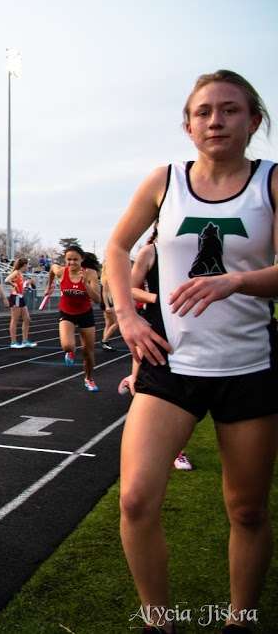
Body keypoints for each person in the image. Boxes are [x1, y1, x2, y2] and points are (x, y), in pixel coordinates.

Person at [105, 70, 276, 634]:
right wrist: (128, 316)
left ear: (254, 120)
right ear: (187, 124)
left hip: (249, 367)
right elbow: (116, 246)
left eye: (230, 110)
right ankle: (161, 622)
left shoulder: (270, 183)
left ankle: (239, 620)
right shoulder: (166, 180)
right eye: (204, 112)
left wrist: (236, 282)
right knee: (134, 501)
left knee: (247, 510)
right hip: (170, 366)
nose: (216, 121)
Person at [118, 227, 194, 473]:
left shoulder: (197, 248)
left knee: (192, 394)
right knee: (153, 388)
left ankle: (178, 448)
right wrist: (158, 299)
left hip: (196, 327)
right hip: (157, 327)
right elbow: (131, 287)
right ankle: (172, 451)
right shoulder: (150, 252)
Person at [44, 245, 102, 390]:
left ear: (82, 259)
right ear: (65, 259)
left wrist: (86, 286)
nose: (72, 262)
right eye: (69, 259)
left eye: (75, 259)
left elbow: (97, 299)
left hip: (85, 314)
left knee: (88, 352)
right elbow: (52, 268)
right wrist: (49, 285)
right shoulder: (61, 271)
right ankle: (70, 353)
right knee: (68, 346)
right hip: (67, 313)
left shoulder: (90, 273)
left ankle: (89, 379)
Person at [6, 257, 36, 349]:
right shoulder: (16, 272)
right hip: (16, 297)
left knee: (27, 319)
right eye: (27, 265)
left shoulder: (21, 274)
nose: (28, 267)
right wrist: (13, 285)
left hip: (20, 297)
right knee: (15, 319)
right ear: (24, 265)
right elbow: (6, 280)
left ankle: (25, 340)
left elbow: (20, 285)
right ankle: (13, 342)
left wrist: (27, 285)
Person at [99, 258, 120, 350]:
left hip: (107, 302)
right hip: (108, 302)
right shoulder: (107, 277)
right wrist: (108, 306)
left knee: (108, 324)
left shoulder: (107, 276)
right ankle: (104, 340)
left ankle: (105, 344)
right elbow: (104, 292)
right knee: (117, 323)